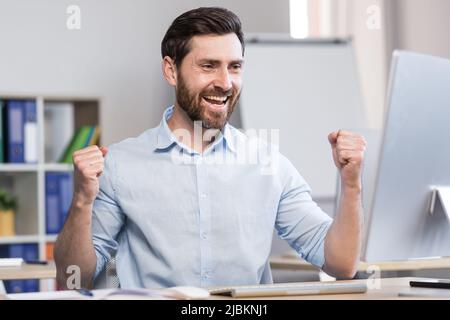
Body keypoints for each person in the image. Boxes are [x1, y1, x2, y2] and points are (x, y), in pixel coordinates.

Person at [54, 7, 366, 289]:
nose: (225, 82)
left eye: (234, 67)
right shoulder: (121, 165)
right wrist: (82, 200)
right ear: (171, 71)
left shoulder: (269, 164)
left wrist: (350, 183)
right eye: (209, 66)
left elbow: (340, 263)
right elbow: (74, 278)